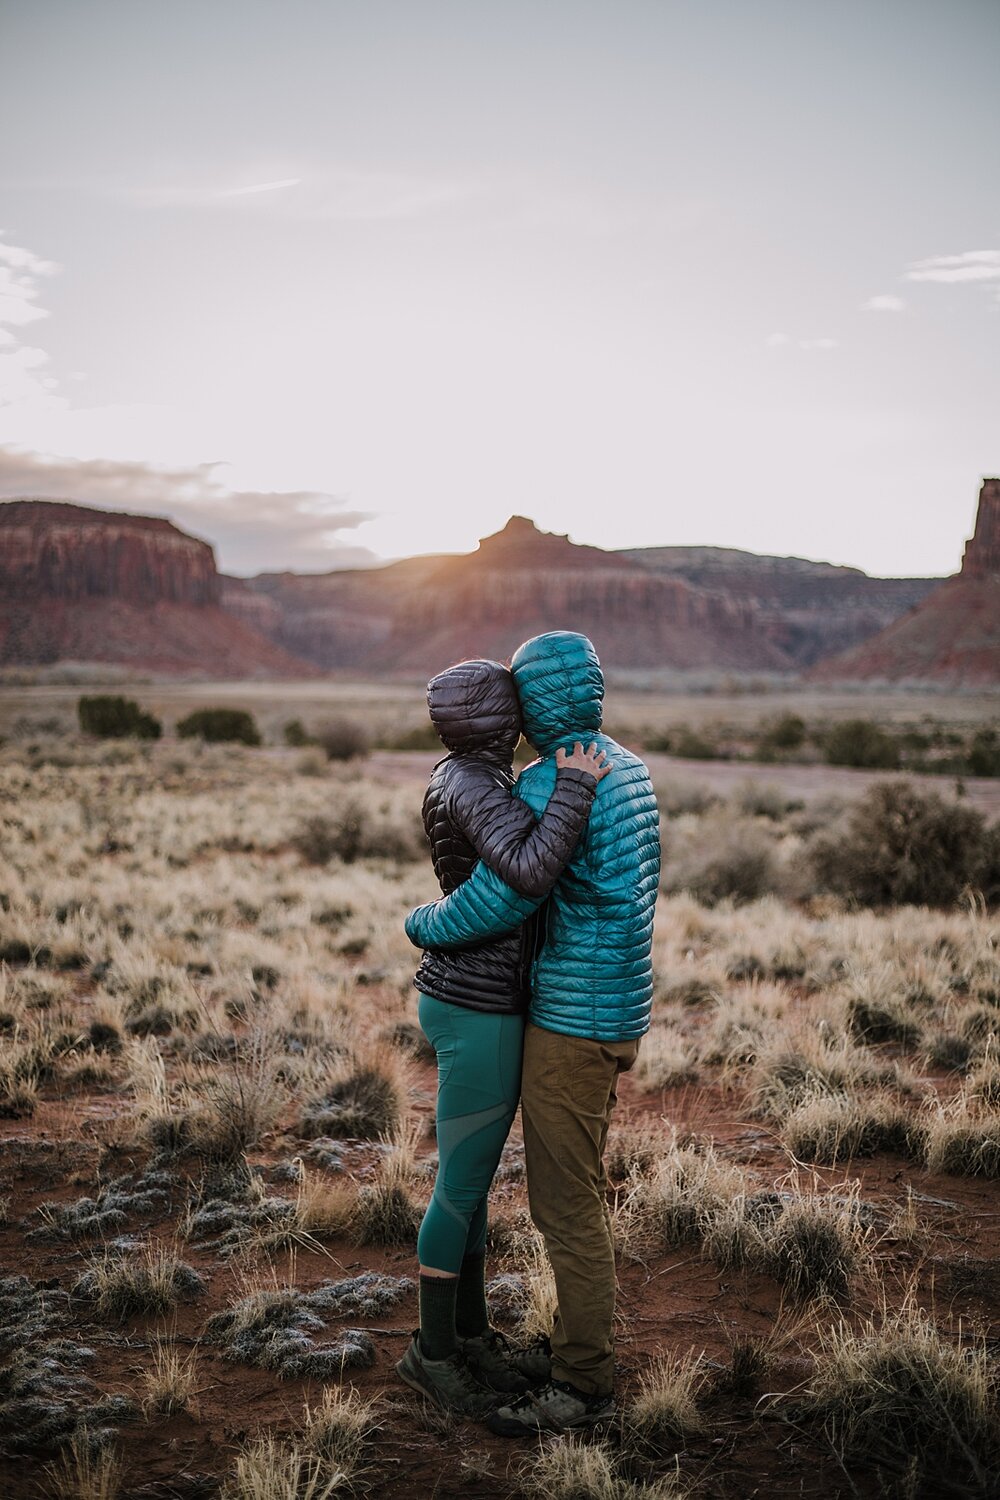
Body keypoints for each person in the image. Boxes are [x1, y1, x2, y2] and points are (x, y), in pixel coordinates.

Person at [405, 631, 660, 1435]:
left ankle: (581, 1386)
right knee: (559, 1184)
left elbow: (503, 897)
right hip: (619, 1008)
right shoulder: (629, 765)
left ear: (538, 704)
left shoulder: (558, 779)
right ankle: (486, 1343)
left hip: (571, 1017)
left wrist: (422, 920)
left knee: (565, 1206)